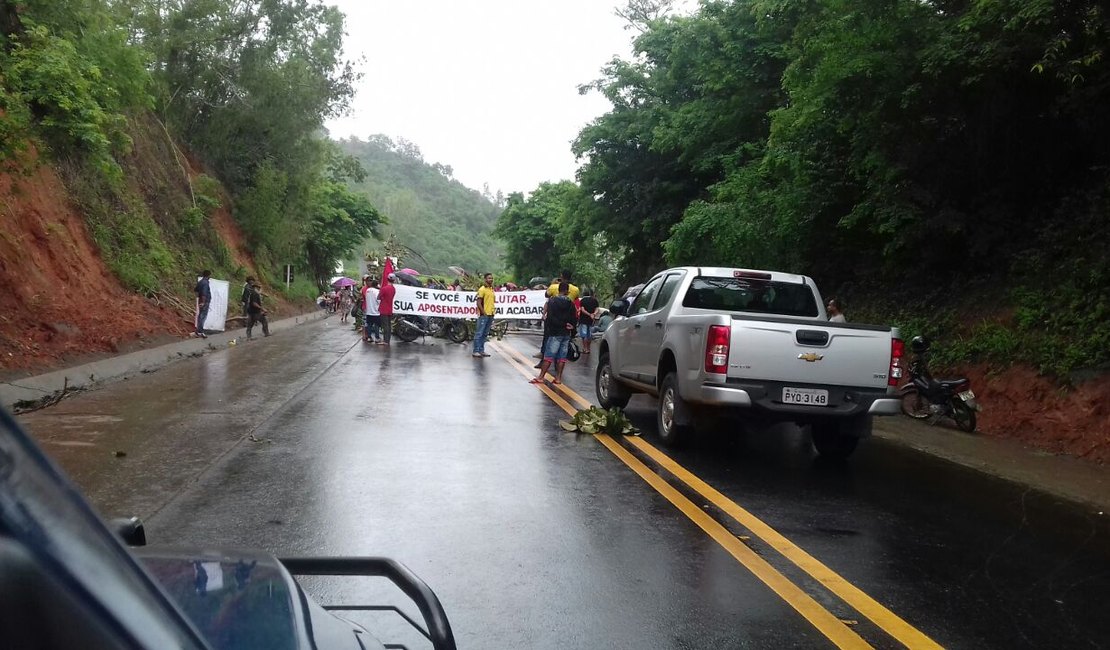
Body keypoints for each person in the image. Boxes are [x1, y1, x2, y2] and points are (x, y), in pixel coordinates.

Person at [531, 282, 576, 385]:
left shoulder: (553, 301)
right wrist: (571, 328)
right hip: (566, 332)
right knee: (562, 357)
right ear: (567, 291)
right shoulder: (570, 303)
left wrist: (549, 328)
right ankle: (558, 378)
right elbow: (574, 318)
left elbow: (550, 317)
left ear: (558, 290)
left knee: (549, 356)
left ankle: (541, 377)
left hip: (555, 332)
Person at [472, 272, 496, 358]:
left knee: (485, 333)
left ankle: (481, 350)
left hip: (491, 314)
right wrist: (484, 313)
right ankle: (476, 350)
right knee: (479, 333)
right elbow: (478, 303)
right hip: (483, 315)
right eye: (489, 278)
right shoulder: (482, 289)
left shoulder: (491, 289)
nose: (491, 279)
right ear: (485, 279)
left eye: (492, 278)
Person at [578, 289, 601, 355]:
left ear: (583, 294)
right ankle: (588, 348)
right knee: (589, 334)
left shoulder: (582, 300)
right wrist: (593, 314)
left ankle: (585, 348)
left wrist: (589, 314)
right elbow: (597, 309)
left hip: (583, 320)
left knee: (584, 335)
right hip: (591, 320)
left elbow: (582, 310)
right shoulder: (594, 300)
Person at [378, 273, 397, 346]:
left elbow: (378, 297)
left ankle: (385, 340)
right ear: (394, 280)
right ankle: (387, 340)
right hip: (390, 309)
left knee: (385, 326)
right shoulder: (393, 289)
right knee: (388, 325)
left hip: (384, 309)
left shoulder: (384, 288)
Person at [362, 277, 382, 344]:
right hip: (376, 311)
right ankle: (377, 338)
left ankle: (369, 337)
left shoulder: (368, 290)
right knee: (376, 325)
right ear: (376, 285)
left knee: (369, 325)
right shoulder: (377, 291)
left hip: (369, 311)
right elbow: (379, 300)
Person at [194, 270, 211, 339]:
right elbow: (204, 293)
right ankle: (200, 331)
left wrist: (200, 298)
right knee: (203, 316)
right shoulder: (206, 283)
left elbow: (196, 290)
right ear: (208, 275)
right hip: (205, 301)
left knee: (200, 315)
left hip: (200, 300)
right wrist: (203, 302)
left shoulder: (200, 282)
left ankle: (198, 330)